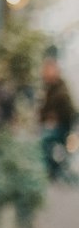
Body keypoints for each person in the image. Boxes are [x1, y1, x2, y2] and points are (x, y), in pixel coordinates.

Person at [38, 47, 77, 180]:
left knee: (44, 138)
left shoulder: (60, 90)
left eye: (47, 69)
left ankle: (49, 171)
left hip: (61, 129)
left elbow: (69, 112)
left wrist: (55, 120)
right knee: (40, 135)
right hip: (54, 127)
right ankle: (50, 169)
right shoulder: (50, 88)